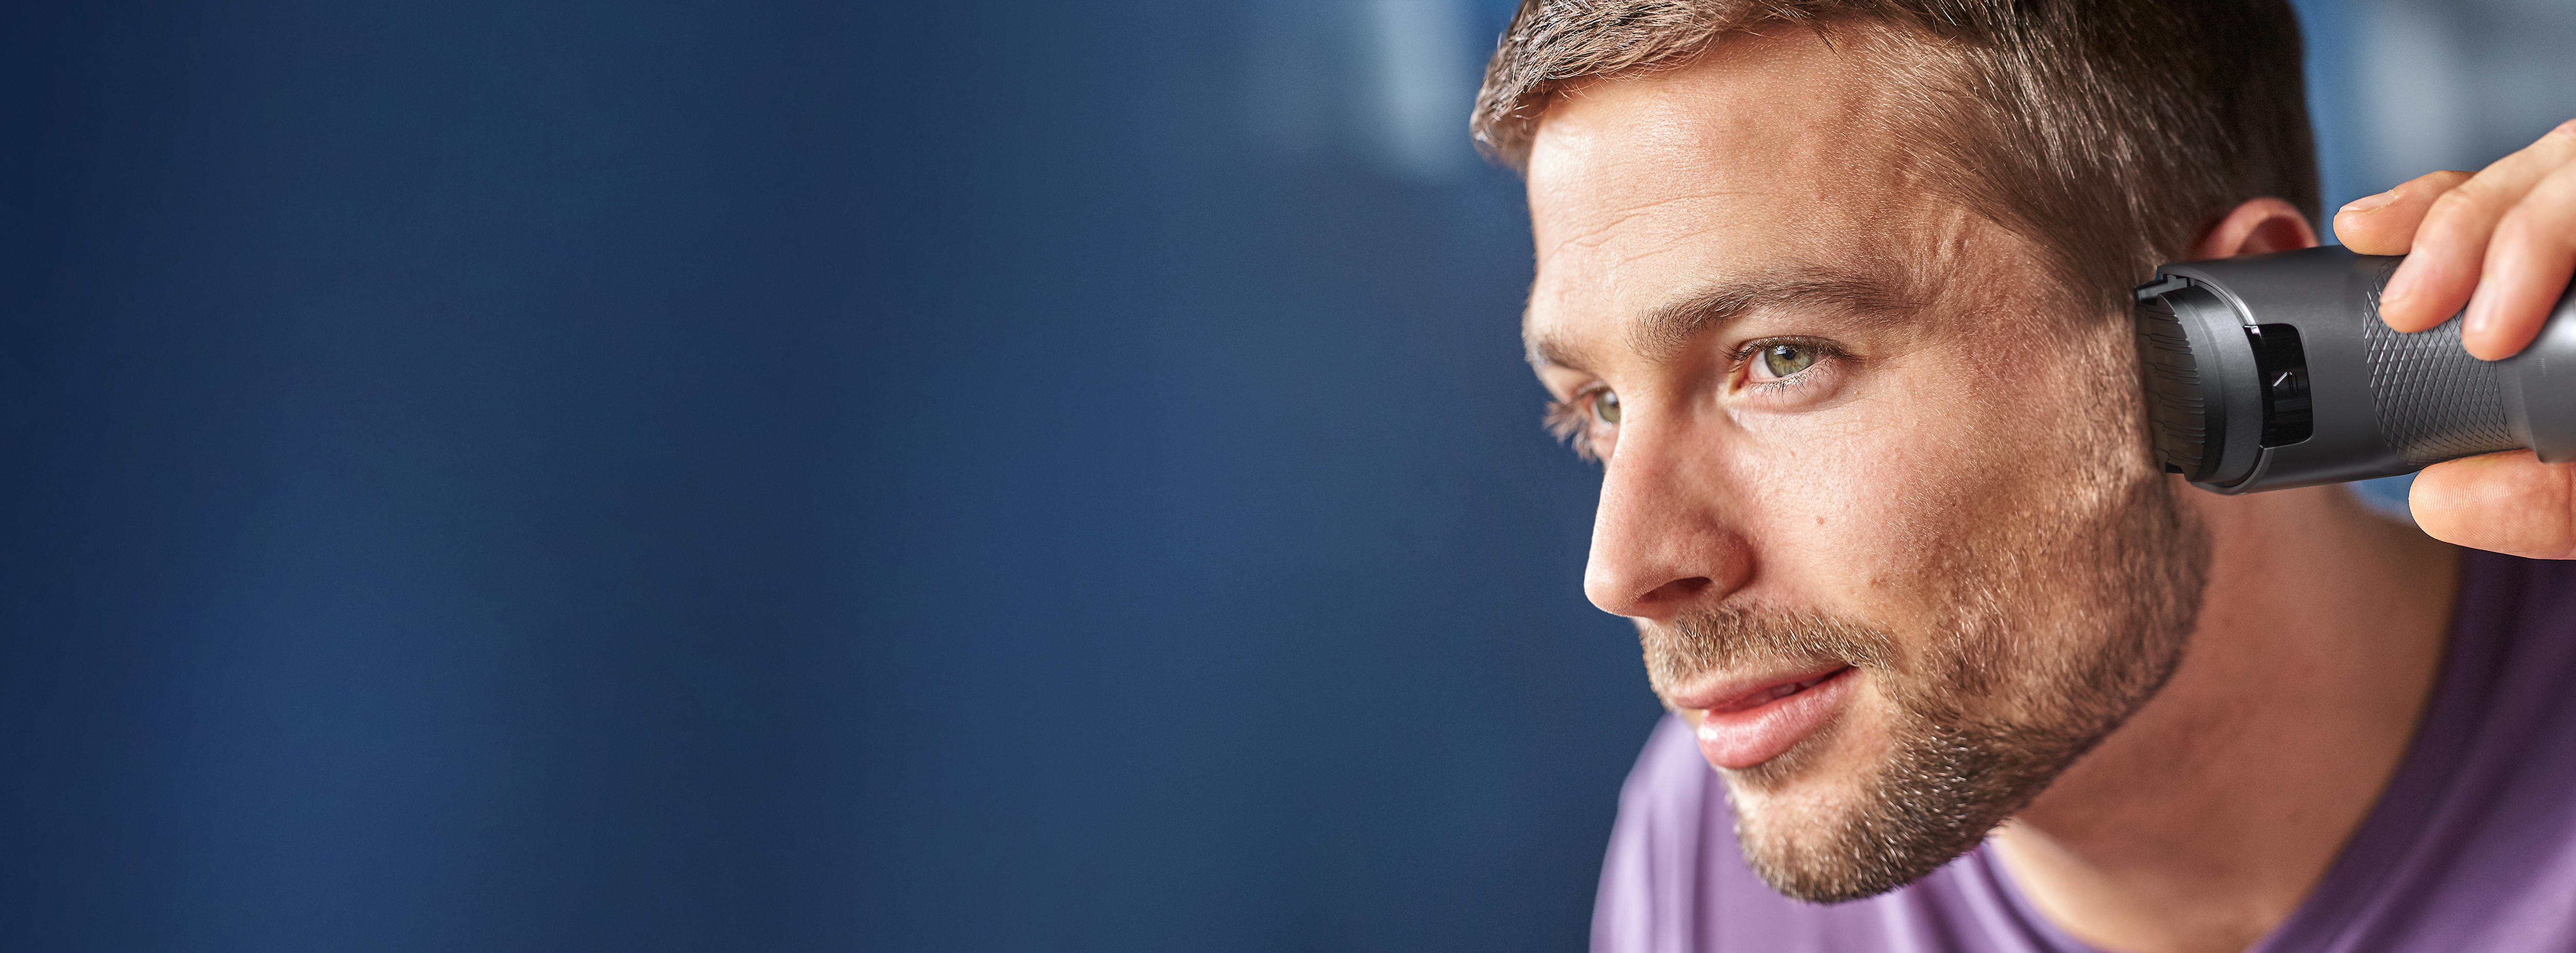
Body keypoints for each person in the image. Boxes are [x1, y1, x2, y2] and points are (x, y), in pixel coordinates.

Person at [1468, 1, 2576, 950]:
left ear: (2242, 336)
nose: (1623, 569)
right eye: (1600, 406)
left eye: (1784, 358)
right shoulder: (1702, 832)